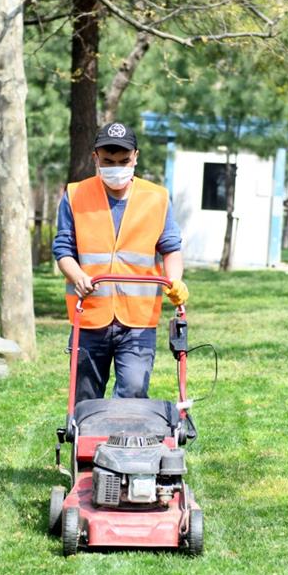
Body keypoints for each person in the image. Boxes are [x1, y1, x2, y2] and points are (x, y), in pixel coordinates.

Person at [53, 122, 188, 404]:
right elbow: (63, 249)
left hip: (137, 321)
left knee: (135, 392)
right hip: (90, 316)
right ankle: (89, 445)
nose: (117, 168)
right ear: (95, 159)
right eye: (108, 162)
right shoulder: (76, 195)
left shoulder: (157, 198)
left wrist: (175, 281)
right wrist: (77, 276)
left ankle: (123, 446)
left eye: (124, 161)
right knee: (85, 399)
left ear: (136, 157)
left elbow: (171, 249)